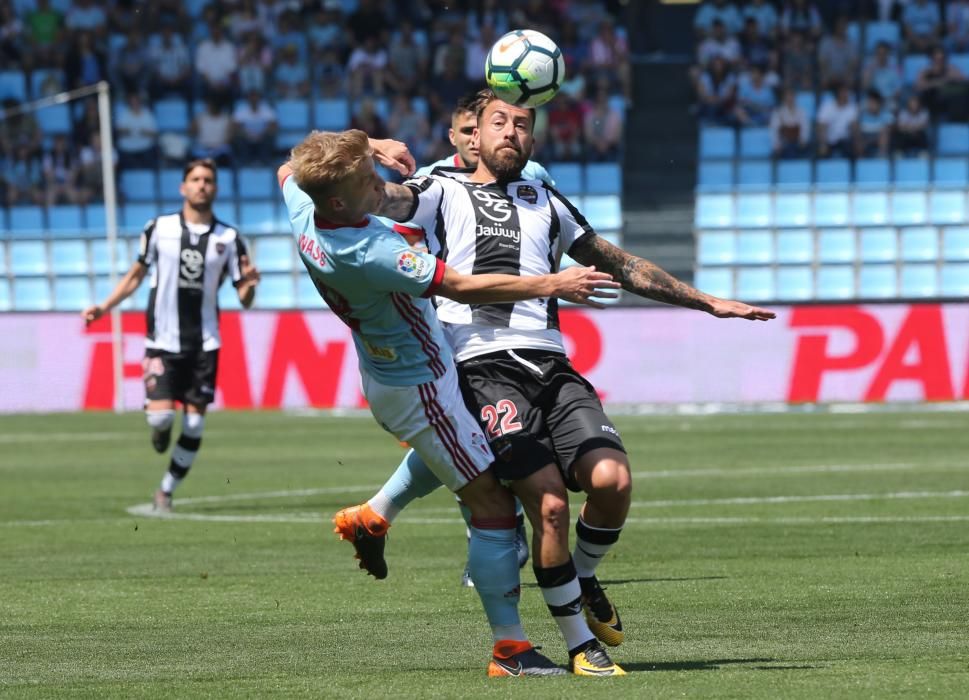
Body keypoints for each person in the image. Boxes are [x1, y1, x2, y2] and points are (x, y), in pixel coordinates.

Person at [337, 90, 775, 676]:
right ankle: (579, 647)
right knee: (546, 505)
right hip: (480, 368)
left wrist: (708, 302)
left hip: (552, 367)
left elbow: (617, 262)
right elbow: (367, 195)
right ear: (475, 136)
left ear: (533, 141)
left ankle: (585, 577)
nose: (511, 132)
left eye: (523, 124)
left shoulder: (544, 195)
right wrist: (368, 147)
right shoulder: (438, 191)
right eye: (500, 123)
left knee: (612, 481)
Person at [278, 130, 618, 677]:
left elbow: (286, 171)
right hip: (423, 388)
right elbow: (461, 286)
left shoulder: (306, 205)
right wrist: (553, 282)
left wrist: (371, 145)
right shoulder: (372, 251)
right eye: (369, 180)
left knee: (471, 450)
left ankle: (374, 516)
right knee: (492, 506)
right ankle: (511, 650)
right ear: (339, 200)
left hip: (393, 369)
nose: (381, 183)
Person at [81, 159, 261, 512]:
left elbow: (245, 298)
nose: (202, 185)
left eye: (208, 180)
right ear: (183, 187)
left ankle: (165, 490)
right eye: (195, 179)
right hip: (161, 342)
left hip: (205, 345)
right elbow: (136, 274)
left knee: (193, 425)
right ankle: (159, 429)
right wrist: (104, 307)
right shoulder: (158, 228)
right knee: (162, 418)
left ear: (216, 188)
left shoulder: (229, 238)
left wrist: (252, 285)